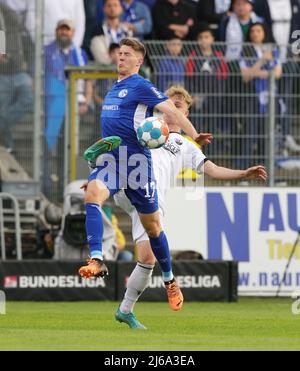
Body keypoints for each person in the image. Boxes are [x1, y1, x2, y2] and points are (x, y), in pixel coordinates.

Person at [114, 85, 268, 329]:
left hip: (151, 201)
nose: (172, 111)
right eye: (169, 105)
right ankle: (167, 280)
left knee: (147, 259)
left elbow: (213, 170)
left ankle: (125, 310)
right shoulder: (146, 126)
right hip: (130, 185)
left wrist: (244, 173)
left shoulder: (186, 146)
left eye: (178, 107)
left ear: (186, 115)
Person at [78, 38, 206, 314]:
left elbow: (171, 110)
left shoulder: (140, 85)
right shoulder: (114, 88)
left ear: (138, 61)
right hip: (113, 162)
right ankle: (97, 259)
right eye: (119, 53)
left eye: (126, 54)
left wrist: (194, 135)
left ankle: (170, 280)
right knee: (91, 194)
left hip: (138, 166)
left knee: (154, 228)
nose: (120, 57)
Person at [44, 19, 91, 199]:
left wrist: (86, 100)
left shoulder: (79, 53)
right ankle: (48, 189)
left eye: (67, 29)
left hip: (74, 106)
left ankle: (66, 188)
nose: (64, 33)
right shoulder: (47, 51)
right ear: (56, 31)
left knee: (70, 148)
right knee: (49, 146)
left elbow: (89, 78)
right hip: (52, 106)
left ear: (72, 32)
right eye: (61, 29)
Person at [239, 22, 283, 167]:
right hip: (252, 99)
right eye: (252, 31)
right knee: (249, 134)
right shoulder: (245, 51)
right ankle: (244, 169)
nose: (255, 33)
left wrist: (255, 72)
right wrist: (263, 60)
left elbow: (277, 73)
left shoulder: (274, 50)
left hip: (270, 99)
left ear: (264, 32)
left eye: (258, 30)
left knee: (267, 134)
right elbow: (245, 76)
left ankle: (266, 170)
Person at [0, 3, 33, 152]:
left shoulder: (18, 29)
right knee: (1, 109)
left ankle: (2, 125)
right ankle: (9, 146)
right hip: (2, 75)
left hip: (20, 72)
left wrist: (32, 75)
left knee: (29, 98)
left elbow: (31, 49)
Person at [90, 0, 132, 65]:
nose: (112, 8)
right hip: (105, 73)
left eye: (115, 5)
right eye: (109, 5)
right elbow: (101, 58)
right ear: (104, 8)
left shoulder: (128, 32)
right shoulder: (97, 31)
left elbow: (134, 56)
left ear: (121, 8)